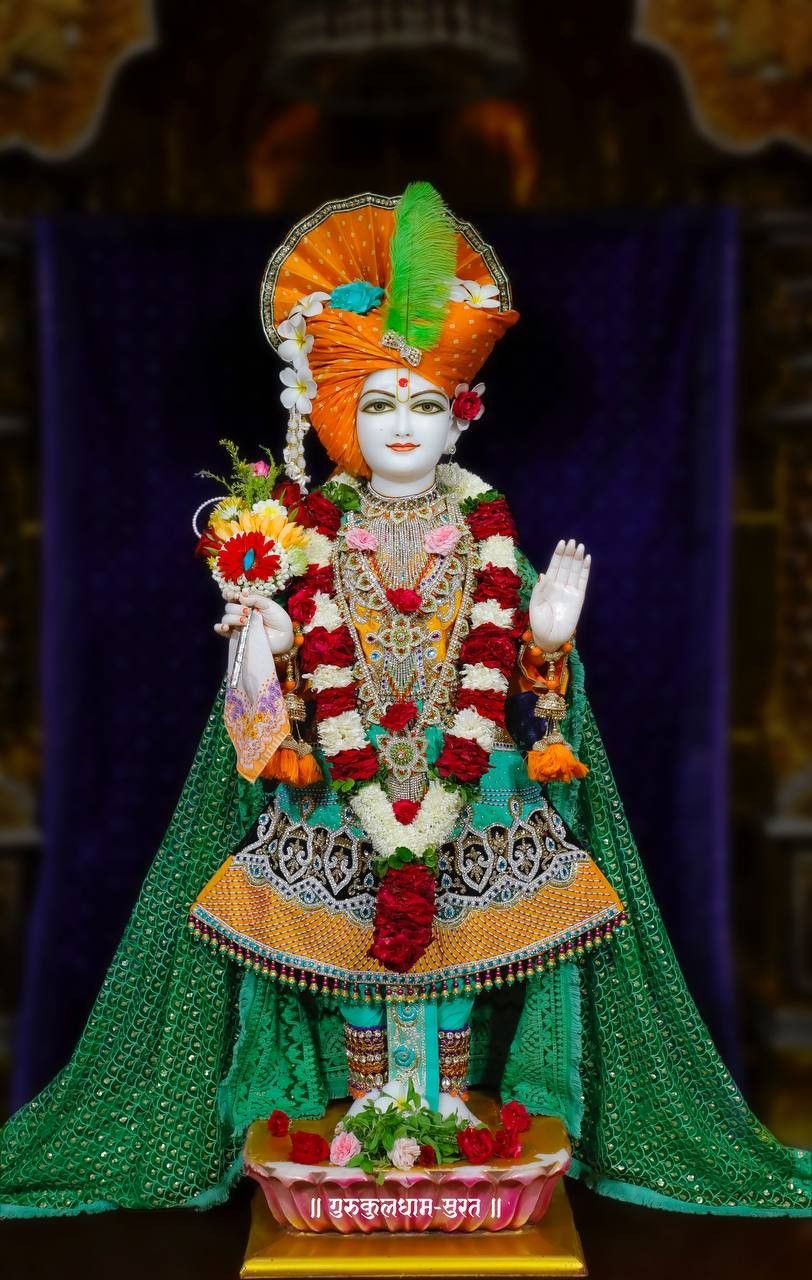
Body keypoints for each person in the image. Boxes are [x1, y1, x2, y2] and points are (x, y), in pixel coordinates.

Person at [0, 185, 808, 1218]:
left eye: (424, 403)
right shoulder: (297, 539)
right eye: (378, 401)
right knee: (348, 963)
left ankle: (442, 1109)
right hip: (337, 780)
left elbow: (525, 685)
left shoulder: (490, 537)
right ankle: (374, 1103)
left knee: (458, 953)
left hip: (468, 782)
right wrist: (262, 638)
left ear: (459, 414)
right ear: (338, 415)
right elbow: (259, 714)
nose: (400, 425)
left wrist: (549, 642)